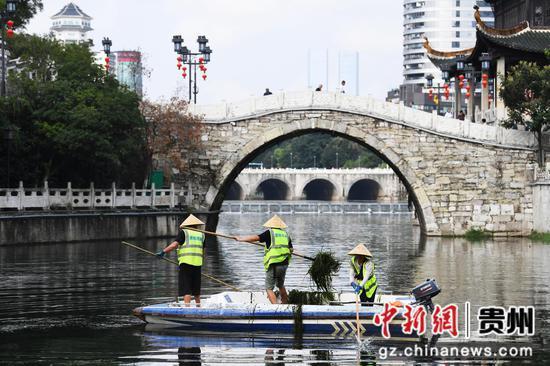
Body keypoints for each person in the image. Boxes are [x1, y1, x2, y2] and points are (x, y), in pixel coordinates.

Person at [236, 215, 293, 304]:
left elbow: (256, 238)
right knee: (280, 285)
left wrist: (241, 239)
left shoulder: (269, 233)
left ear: (271, 225)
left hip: (274, 264)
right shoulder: (286, 235)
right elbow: (291, 250)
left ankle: (275, 308)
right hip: (284, 264)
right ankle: (285, 304)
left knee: (269, 288)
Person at [156, 214, 206, 306]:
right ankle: (198, 307)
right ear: (196, 225)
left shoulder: (184, 232)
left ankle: (187, 307)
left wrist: (163, 251)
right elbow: (203, 250)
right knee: (196, 287)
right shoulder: (202, 235)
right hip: (198, 264)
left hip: (186, 263)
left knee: (186, 286)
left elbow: (174, 245)